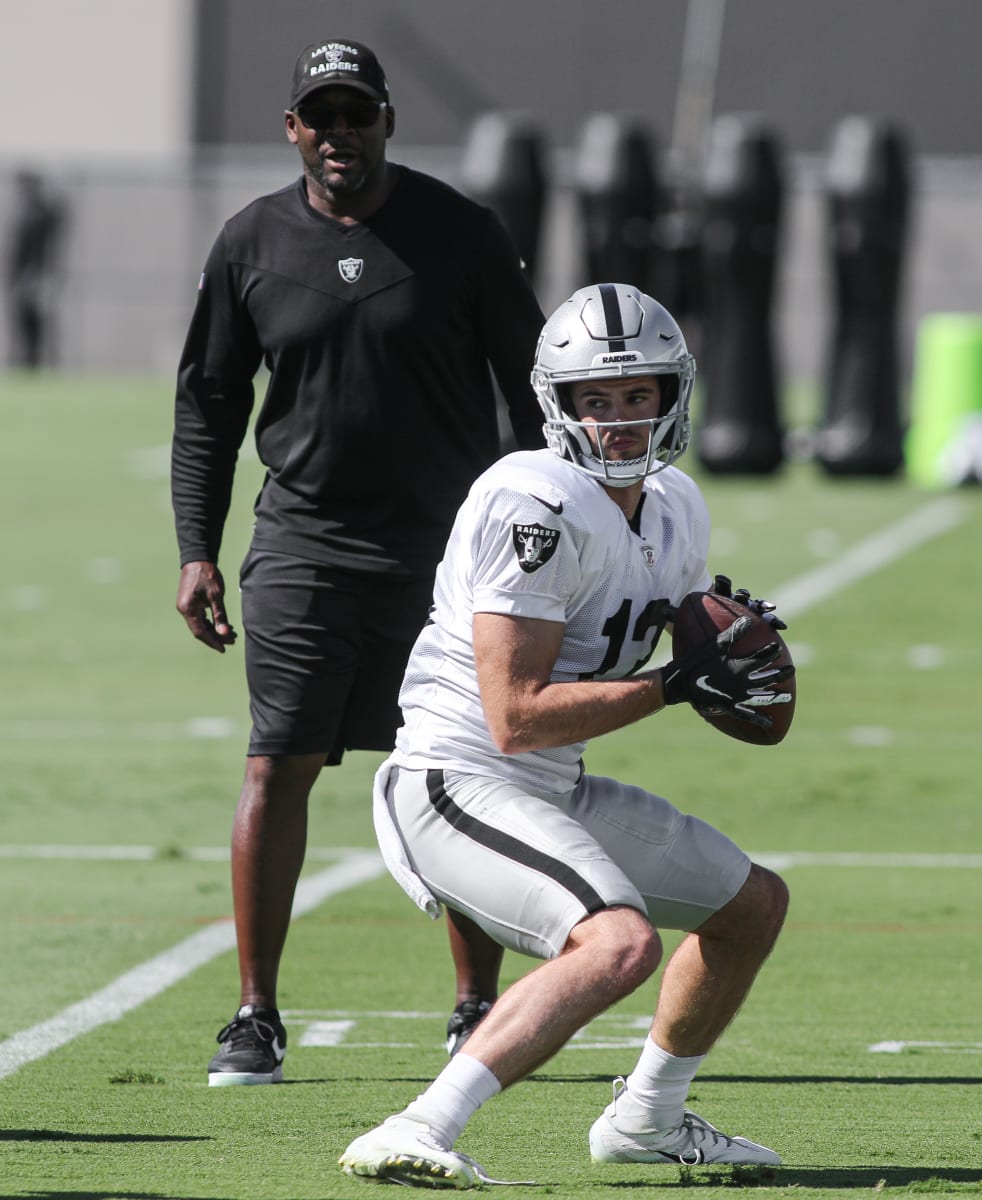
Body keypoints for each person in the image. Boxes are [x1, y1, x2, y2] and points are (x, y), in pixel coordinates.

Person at [339, 283, 794, 1186]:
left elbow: (693, 667)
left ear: (672, 395)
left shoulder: (675, 506)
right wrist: (674, 683)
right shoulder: (533, 502)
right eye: (597, 400)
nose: (620, 422)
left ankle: (648, 1119)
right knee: (618, 943)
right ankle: (420, 1122)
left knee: (751, 907)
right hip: (453, 780)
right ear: (560, 403)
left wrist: (727, 645)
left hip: (551, 782)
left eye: (638, 397)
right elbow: (514, 717)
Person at [171, 38, 545, 1087]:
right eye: (318, 116)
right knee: (275, 762)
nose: (339, 134)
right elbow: (207, 406)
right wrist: (197, 548)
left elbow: (531, 394)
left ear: (387, 121)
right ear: (292, 128)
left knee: (461, 766)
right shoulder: (250, 242)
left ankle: (476, 1004)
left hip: (447, 553)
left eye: (357, 114)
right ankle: (255, 1014)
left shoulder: (462, 234)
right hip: (303, 545)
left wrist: (537, 533)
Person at [5, 169, 66, 368]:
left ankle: (42, 367)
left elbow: (58, 217)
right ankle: (25, 366)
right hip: (22, 280)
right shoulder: (22, 216)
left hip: (37, 278)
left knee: (40, 328)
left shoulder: (42, 214)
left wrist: (43, 277)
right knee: (22, 327)